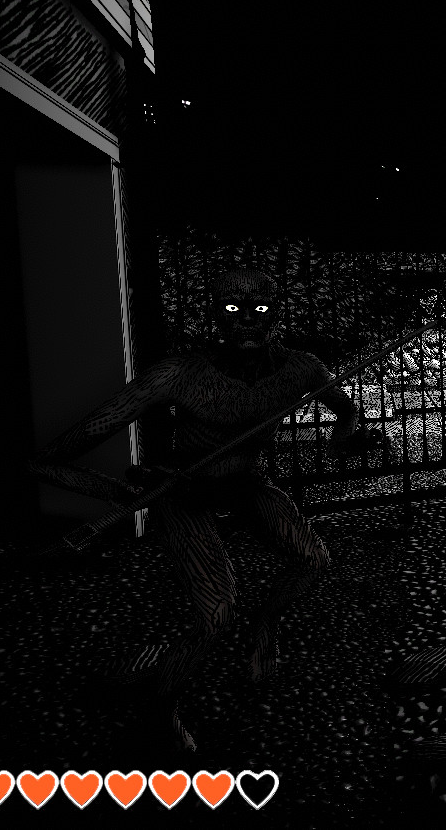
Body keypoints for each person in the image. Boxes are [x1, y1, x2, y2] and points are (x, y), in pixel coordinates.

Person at [28, 268, 384, 754]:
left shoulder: (303, 368)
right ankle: (160, 709)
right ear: (215, 314)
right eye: (233, 309)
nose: (247, 321)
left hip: (247, 482)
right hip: (185, 490)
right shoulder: (180, 374)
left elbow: (346, 411)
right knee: (217, 613)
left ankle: (265, 626)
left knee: (312, 560)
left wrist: (344, 438)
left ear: (276, 313)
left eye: (260, 309)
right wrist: (120, 493)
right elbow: (47, 461)